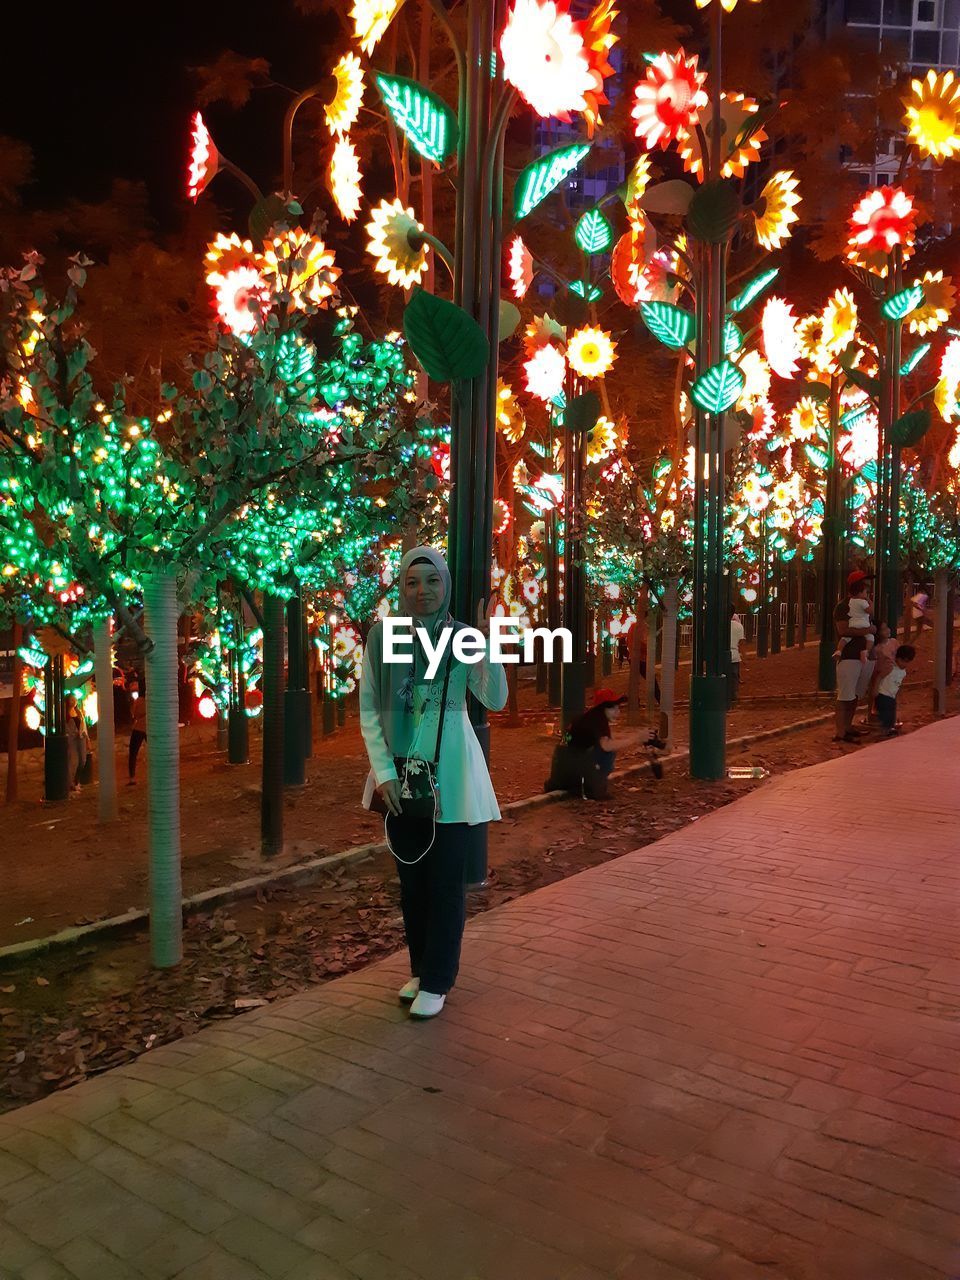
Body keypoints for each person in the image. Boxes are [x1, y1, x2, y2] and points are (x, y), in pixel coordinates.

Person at [359, 546, 507, 1022]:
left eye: (432, 582)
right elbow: (369, 710)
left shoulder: (463, 637)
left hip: (454, 779)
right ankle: (422, 970)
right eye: (412, 582)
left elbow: (496, 698)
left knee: (445, 883)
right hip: (400, 776)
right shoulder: (383, 638)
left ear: (446, 586)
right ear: (400, 588)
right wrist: (383, 774)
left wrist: (487, 644)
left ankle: (440, 979)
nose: (422, 592)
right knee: (412, 884)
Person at [546, 689, 661, 798]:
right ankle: (592, 787)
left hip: (562, 768)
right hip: (571, 767)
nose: (617, 711)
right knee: (609, 751)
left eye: (618, 707)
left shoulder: (591, 717)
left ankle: (586, 785)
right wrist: (636, 738)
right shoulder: (597, 720)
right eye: (612, 707)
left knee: (608, 746)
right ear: (602, 708)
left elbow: (607, 740)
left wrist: (639, 736)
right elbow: (606, 746)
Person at [833, 572, 876, 743]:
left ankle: (848, 727)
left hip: (864, 657)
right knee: (845, 695)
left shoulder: (864, 605)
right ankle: (840, 732)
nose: (868, 586)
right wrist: (868, 631)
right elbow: (843, 630)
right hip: (849, 656)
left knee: (855, 694)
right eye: (865, 583)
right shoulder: (843, 607)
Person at [875, 644, 915, 736]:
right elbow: (879, 677)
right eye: (903, 661)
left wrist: (899, 696)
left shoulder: (903, 672)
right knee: (885, 714)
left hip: (891, 696)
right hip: (883, 694)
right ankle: (883, 732)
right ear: (897, 658)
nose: (904, 664)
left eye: (907, 662)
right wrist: (875, 690)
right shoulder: (890, 667)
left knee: (891, 714)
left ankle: (888, 729)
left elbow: (898, 685)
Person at [65, 695, 89, 792]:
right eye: (71, 699)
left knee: (83, 760)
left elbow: (84, 726)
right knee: (73, 761)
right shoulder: (65, 714)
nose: (74, 701)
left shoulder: (79, 712)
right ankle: (71, 783)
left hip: (81, 738)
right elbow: (65, 728)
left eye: (75, 699)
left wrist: (87, 739)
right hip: (72, 739)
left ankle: (76, 781)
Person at [128, 683, 147, 784]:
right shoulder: (153, 700)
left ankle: (132, 777)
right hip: (150, 727)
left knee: (133, 753)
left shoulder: (139, 700)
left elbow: (134, 714)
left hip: (139, 727)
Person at [729, 606, 745, 705]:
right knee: (734, 677)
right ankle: (733, 696)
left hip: (721, 656)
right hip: (735, 655)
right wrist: (743, 655)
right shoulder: (739, 626)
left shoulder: (718, 625)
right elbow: (741, 643)